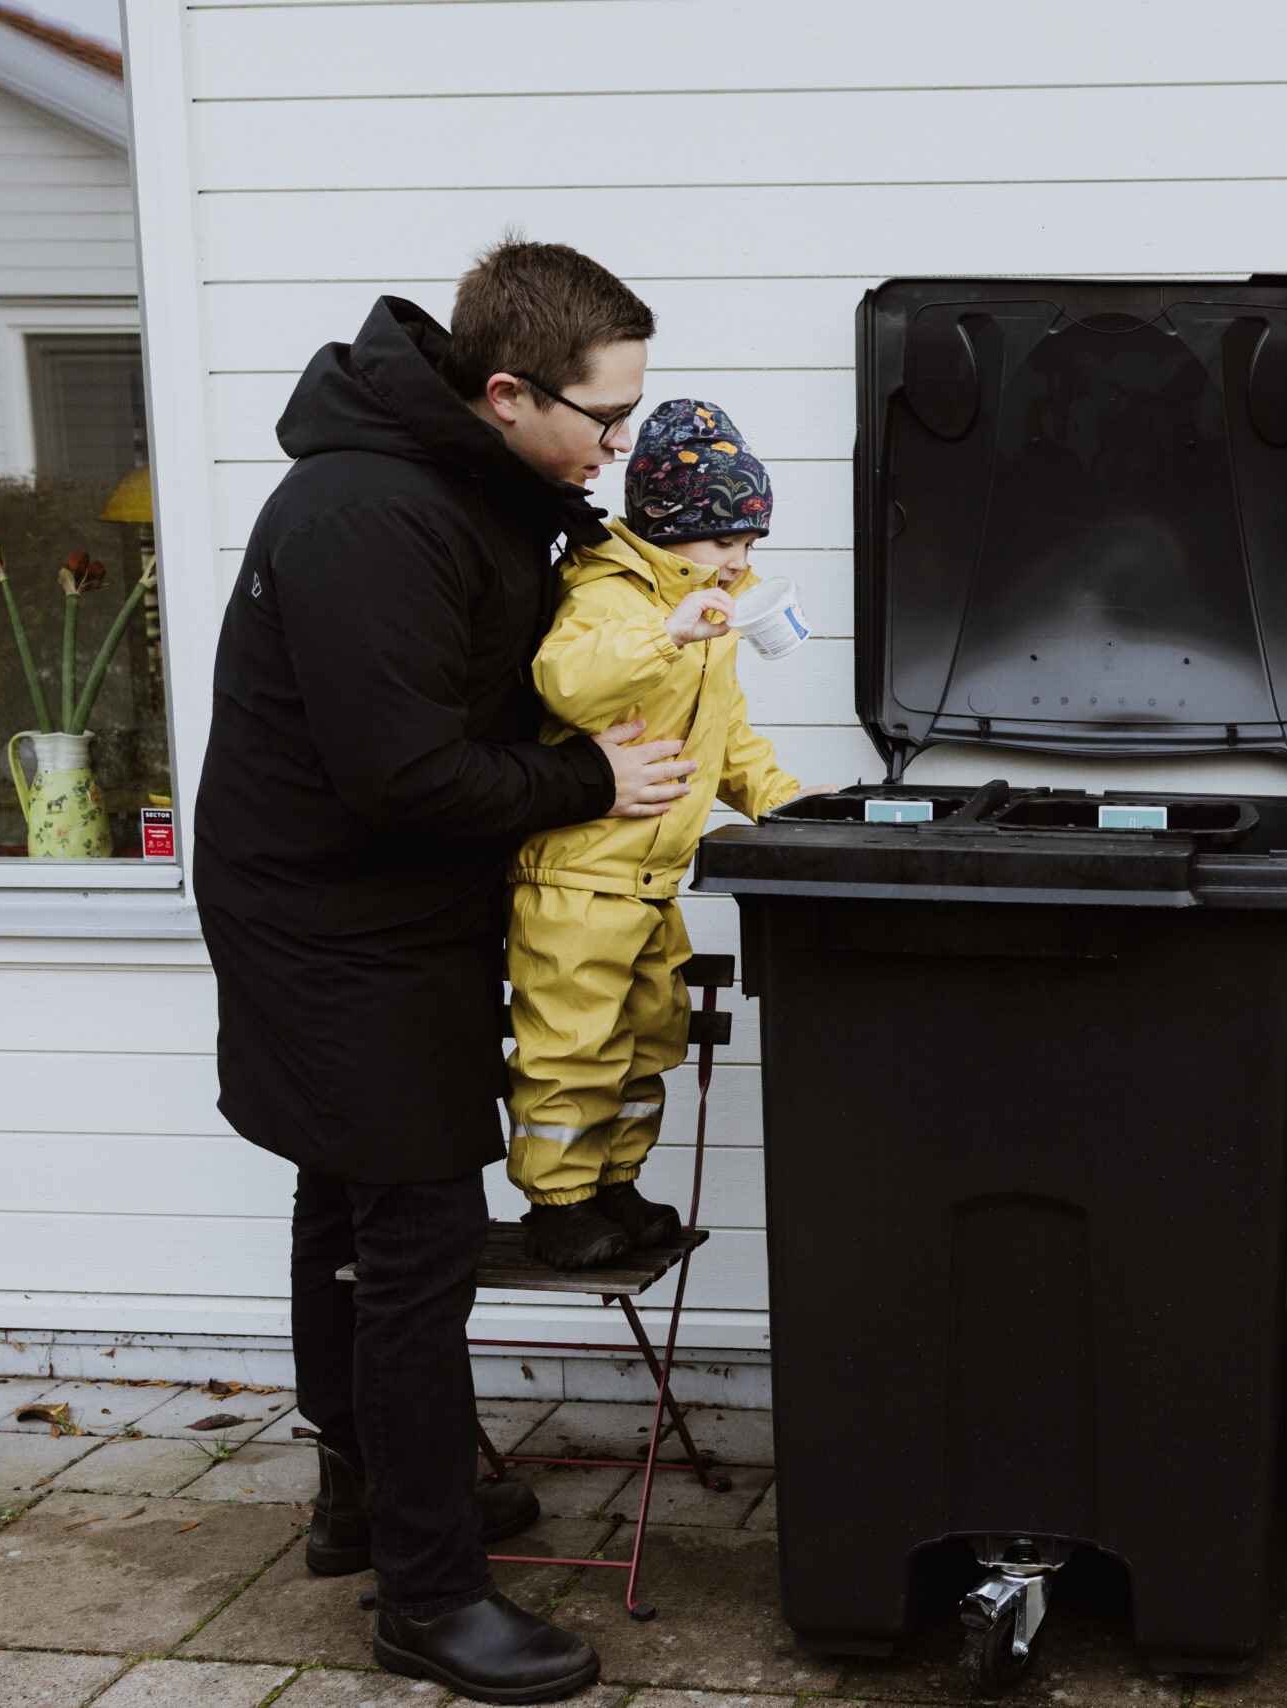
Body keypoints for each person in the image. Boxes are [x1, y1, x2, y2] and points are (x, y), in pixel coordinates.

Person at [195, 240, 697, 1703]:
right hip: (328, 914)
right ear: (501, 390)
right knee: (408, 1233)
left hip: (385, 897)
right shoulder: (366, 515)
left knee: (344, 1194)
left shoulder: (475, 485)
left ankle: (368, 1499)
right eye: (608, 422)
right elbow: (402, 774)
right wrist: (587, 780)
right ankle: (428, 1597)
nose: (620, 448)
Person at [506, 399, 820, 1267]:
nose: (738, 566)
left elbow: (724, 739)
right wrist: (664, 630)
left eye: (749, 547)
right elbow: (567, 683)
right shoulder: (611, 593)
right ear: (668, 529)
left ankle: (615, 1181)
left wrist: (788, 803)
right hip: (577, 881)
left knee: (647, 1041)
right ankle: (559, 1200)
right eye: (724, 545)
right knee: (572, 1045)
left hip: (652, 882)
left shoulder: (705, 613)